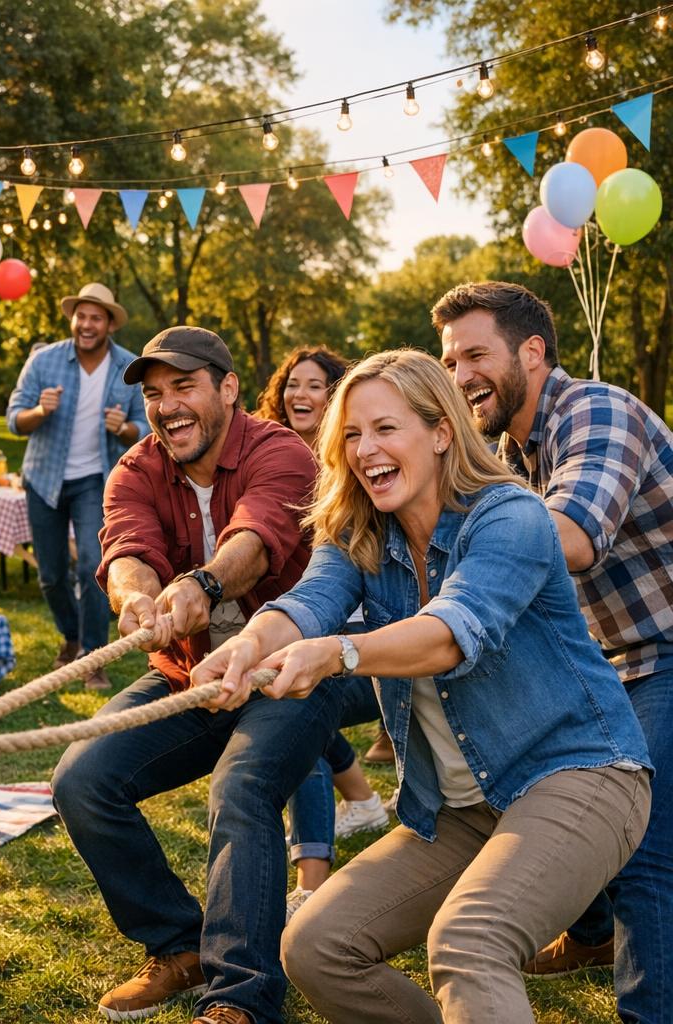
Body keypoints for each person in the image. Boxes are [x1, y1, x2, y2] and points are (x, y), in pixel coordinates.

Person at [194, 348, 651, 1024]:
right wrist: (244, 647)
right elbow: (309, 601)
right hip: (465, 810)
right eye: (350, 434)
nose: (363, 449)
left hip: (579, 775)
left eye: (385, 428)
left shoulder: (510, 517)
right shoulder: (358, 531)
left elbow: (449, 633)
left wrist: (339, 654)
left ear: (441, 432)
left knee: (469, 941)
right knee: (318, 945)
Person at [52, 327, 377, 1024]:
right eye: (154, 393)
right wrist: (136, 597)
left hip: (294, 667)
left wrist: (200, 585)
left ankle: (241, 998)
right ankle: (178, 946)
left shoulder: (282, 451)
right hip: (189, 675)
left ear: (228, 389)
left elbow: (258, 542)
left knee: (244, 786)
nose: (167, 406)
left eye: (184, 386)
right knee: (81, 780)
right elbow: (127, 548)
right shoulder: (136, 469)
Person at [436, 280, 673, 1022]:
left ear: (531, 353)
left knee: (646, 852)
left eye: (475, 353)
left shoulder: (594, 411)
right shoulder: (509, 449)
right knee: (548, 783)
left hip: (667, 650)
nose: (458, 374)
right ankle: (593, 934)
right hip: (615, 657)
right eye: (448, 360)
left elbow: (568, 538)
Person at [256, 347, 387, 914]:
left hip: (363, 642)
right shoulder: (265, 459)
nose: (300, 395)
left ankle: (310, 885)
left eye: (316, 385)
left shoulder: (359, 470)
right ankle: (360, 799)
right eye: (293, 384)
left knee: (294, 716)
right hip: (294, 623)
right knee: (291, 693)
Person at [6, 282, 147, 690]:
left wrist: (123, 429)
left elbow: (143, 428)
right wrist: (38, 411)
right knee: (50, 574)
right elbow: (14, 418)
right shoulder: (44, 361)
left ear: (108, 324)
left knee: (91, 566)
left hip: (95, 481)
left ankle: (92, 656)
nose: (87, 324)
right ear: (73, 319)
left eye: (95, 318)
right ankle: (70, 638)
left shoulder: (128, 367)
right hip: (44, 479)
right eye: (81, 316)